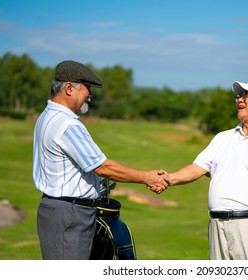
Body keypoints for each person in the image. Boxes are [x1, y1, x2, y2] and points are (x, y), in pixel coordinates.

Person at [32, 60, 169, 260]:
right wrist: (147, 177)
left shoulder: (47, 116)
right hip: (70, 215)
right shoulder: (67, 124)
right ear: (69, 88)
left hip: (60, 211)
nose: (90, 94)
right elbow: (102, 167)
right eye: (87, 88)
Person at [163, 77, 248, 260]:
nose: (240, 99)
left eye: (246, 95)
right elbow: (197, 168)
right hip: (217, 225)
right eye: (239, 96)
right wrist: (168, 179)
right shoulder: (222, 138)